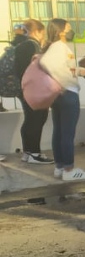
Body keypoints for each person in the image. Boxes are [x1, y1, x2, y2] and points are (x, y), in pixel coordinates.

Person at [39, 19, 85, 181]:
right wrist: (63, 82)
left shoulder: (55, 47)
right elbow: (46, 63)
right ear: (60, 30)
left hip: (60, 94)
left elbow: (64, 66)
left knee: (59, 132)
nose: (70, 30)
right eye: (68, 27)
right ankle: (69, 169)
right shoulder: (59, 47)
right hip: (67, 93)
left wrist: (78, 71)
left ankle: (60, 167)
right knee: (67, 133)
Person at [12, 19, 52, 164]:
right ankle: (34, 153)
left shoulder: (20, 44)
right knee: (37, 119)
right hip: (33, 88)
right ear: (37, 31)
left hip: (23, 88)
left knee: (30, 119)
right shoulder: (32, 45)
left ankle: (28, 152)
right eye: (43, 32)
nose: (44, 36)